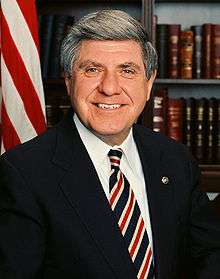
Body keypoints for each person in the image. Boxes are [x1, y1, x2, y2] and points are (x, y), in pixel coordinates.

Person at [0, 9, 219, 279]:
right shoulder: (22, 172)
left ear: (148, 83)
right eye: (92, 69)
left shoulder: (174, 158)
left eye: (127, 70)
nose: (110, 88)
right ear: (69, 81)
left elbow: (209, 256)